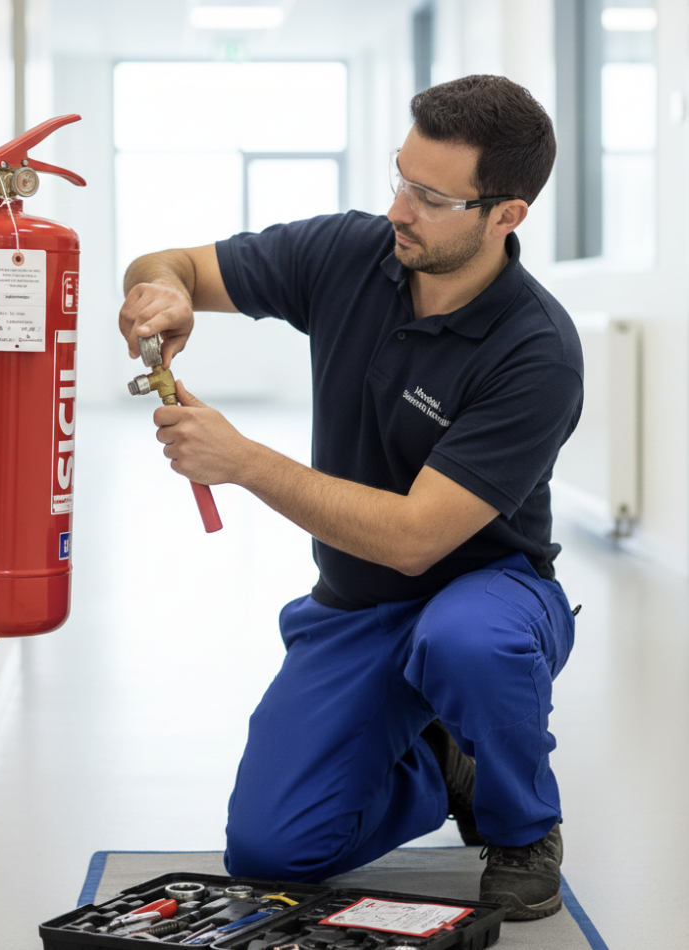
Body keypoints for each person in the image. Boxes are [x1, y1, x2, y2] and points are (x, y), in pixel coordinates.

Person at [118, 74, 583, 921]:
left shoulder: (535, 351)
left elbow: (415, 540)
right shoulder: (348, 253)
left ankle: (521, 827)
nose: (401, 209)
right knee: (271, 851)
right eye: (401, 177)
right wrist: (165, 292)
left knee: (467, 643)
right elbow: (171, 262)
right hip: (357, 603)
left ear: (505, 215)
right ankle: (443, 762)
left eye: (433, 198)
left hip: (488, 591)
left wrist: (244, 461)